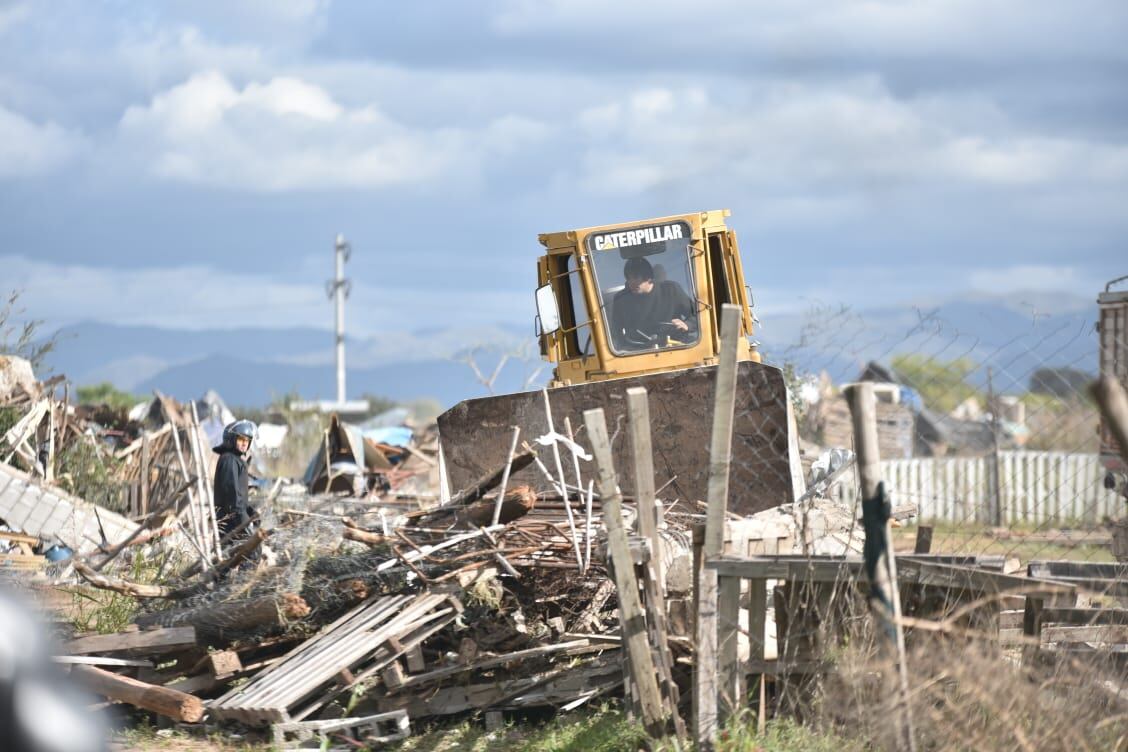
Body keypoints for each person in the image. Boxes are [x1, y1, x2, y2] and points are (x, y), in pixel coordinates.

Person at [610, 256, 697, 350]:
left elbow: (698, 315)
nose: (631, 282)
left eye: (635, 278)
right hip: (638, 352)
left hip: (676, 345)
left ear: (648, 278)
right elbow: (615, 332)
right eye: (628, 278)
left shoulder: (671, 290)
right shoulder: (621, 299)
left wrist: (687, 324)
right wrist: (624, 348)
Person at [213, 419, 256, 540]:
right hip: (230, 525)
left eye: (247, 440)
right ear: (231, 439)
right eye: (241, 439)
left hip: (235, 521)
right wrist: (244, 523)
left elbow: (240, 497)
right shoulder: (229, 460)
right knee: (250, 555)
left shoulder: (235, 460)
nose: (244, 444)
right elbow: (232, 498)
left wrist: (251, 512)